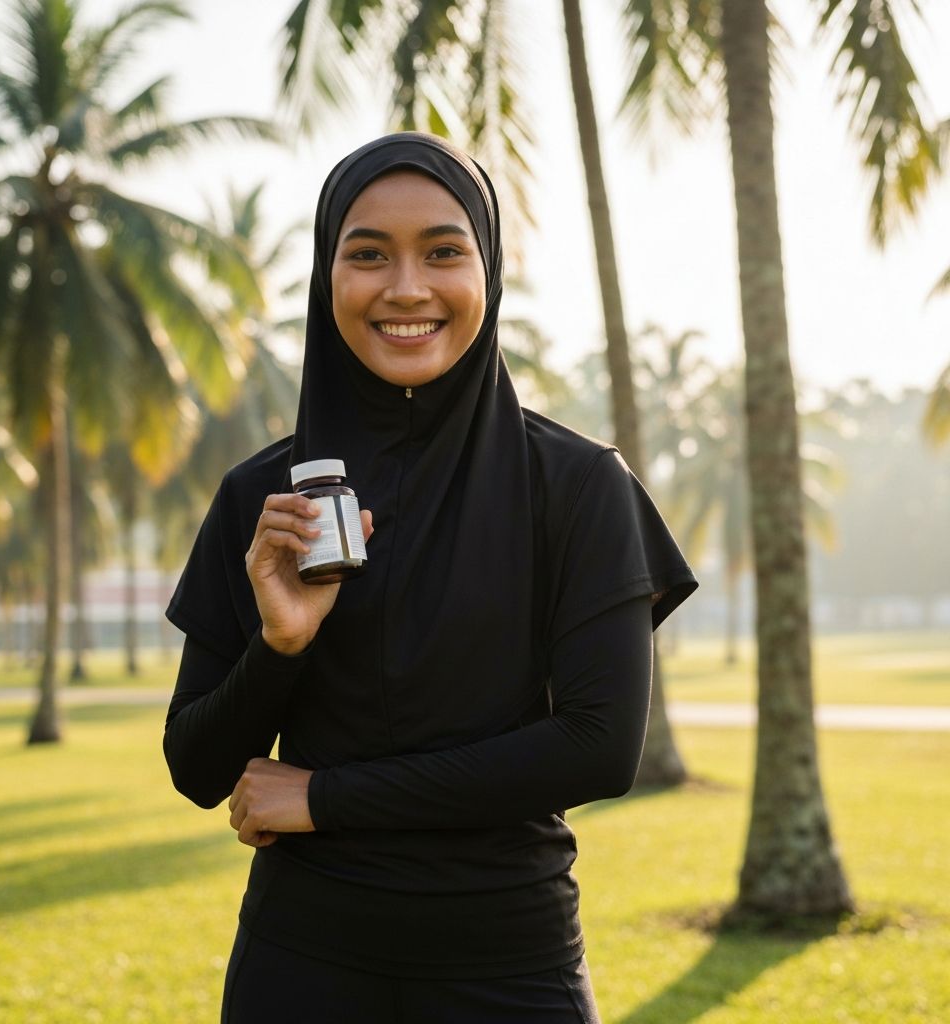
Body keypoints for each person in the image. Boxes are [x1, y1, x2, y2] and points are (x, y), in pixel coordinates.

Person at [163, 133, 697, 1024]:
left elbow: (599, 747)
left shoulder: (574, 484)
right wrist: (282, 644)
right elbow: (199, 765)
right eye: (367, 254)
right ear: (327, 276)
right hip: (300, 968)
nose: (406, 288)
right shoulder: (262, 500)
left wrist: (325, 798)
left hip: (508, 966)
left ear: (487, 275)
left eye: (444, 252)